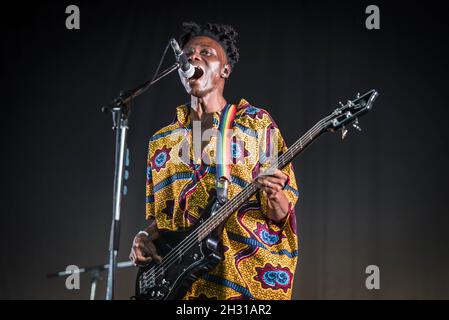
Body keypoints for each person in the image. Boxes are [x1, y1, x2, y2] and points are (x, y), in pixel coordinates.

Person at [129, 22, 299, 300]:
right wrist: (143, 236)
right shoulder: (161, 141)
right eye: (188, 54)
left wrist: (274, 194)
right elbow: (163, 222)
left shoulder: (257, 124)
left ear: (225, 69)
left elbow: (280, 213)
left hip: (236, 280)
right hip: (179, 288)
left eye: (206, 52)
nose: (194, 57)